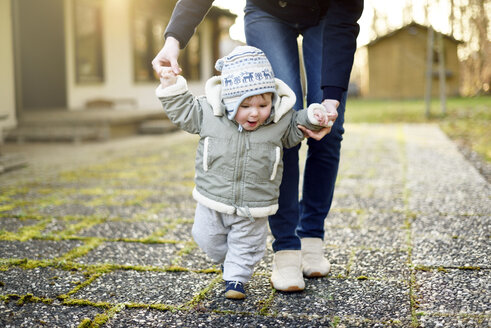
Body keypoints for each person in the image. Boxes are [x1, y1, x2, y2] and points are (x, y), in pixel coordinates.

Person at [152, 0, 363, 292]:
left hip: (329, 14)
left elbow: (345, 16)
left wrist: (330, 100)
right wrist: (173, 40)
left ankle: (312, 236)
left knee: (329, 126)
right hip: (269, 12)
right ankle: (287, 247)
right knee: (275, 121)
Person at [156, 46, 333, 299]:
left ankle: (235, 280)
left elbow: (296, 127)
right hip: (213, 198)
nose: (255, 112)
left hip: (255, 202)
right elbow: (184, 111)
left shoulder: (277, 121)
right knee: (205, 237)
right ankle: (229, 261)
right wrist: (171, 84)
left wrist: (314, 116)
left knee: (247, 244)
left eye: (263, 104)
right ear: (229, 101)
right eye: (245, 105)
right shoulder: (208, 114)